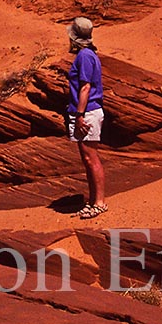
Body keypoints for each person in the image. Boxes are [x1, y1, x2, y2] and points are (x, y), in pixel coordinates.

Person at [66, 16, 107, 219]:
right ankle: (93, 201)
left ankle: (99, 202)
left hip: (87, 111)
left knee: (91, 158)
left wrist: (80, 115)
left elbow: (86, 86)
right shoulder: (89, 54)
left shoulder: (84, 56)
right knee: (88, 158)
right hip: (87, 110)